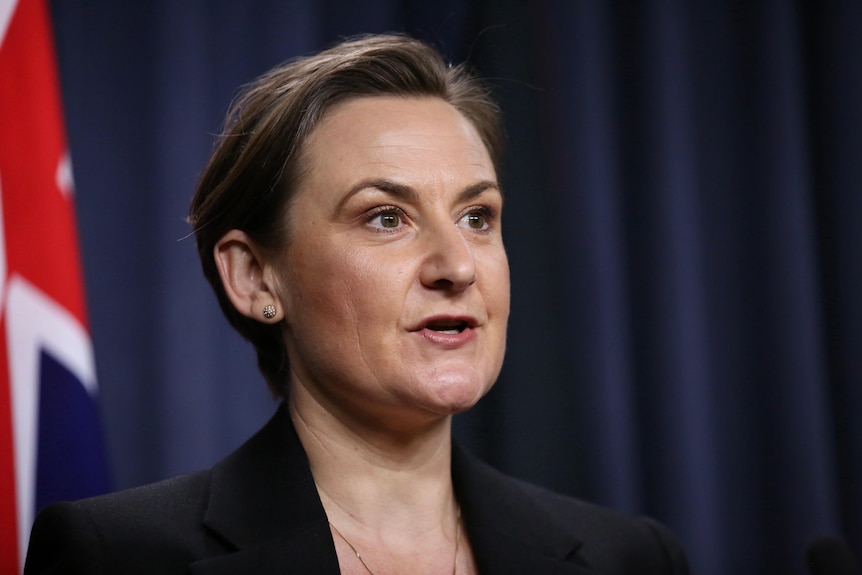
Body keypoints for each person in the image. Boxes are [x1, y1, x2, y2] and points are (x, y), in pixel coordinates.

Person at [24, 34, 689, 574]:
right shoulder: (119, 556)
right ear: (256, 278)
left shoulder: (628, 557)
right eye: (385, 217)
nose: (457, 265)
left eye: (478, 216)